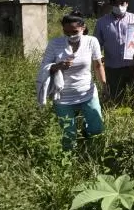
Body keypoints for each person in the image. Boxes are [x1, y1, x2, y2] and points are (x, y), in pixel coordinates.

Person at [38, 12, 107, 150]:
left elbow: (98, 65)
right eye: (66, 32)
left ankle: (87, 138)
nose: (70, 35)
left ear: (83, 28)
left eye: (74, 31)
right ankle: (70, 160)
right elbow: (44, 67)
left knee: (97, 128)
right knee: (68, 135)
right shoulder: (55, 44)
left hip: (87, 93)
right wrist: (58, 66)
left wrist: (104, 86)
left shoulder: (91, 41)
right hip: (63, 97)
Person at [94, 0, 134, 104]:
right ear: (111, 5)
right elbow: (96, 44)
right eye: (116, 4)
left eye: (122, 4)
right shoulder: (102, 23)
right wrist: (99, 57)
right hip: (113, 68)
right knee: (116, 98)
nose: (119, 7)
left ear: (127, 3)